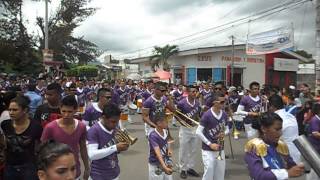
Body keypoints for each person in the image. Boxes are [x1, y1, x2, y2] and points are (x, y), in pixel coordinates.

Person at [41, 95, 90, 180]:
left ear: (75, 110)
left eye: (70, 111)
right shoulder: (50, 127)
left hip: (74, 171)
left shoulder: (81, 126)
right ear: (60, 109)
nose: (66, 114)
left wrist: (87, 167)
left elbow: (83, 148)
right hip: (55, 172)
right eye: (63, 111)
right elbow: (43, 149)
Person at [244, 112, 305, 180]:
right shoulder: (254, 147)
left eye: (281, 129)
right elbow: (258, 175)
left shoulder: (281, 145)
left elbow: (291, 165)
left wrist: (299, 168)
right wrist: (287, 173)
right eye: (277, 129)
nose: (281, 133)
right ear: (263, 129)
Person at [1, 95, 43, 180]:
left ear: (25, 110)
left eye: (15, 110)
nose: (11, 112)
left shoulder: (36, 126)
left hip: (29, 167)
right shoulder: (5, 124)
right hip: (10, 166)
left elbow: (40, 146)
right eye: (10, 109)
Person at [87, 103, 129, 180]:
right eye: (113, 121)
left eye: (117, 121)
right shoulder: (94, 130)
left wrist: (122, 146)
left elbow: (114, 151)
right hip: (98, 175)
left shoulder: (114, 128)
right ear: (104, 117)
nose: (115, 124)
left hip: (114, 173)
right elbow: (92, 155)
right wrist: (115, 147)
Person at [196, 93, 228, 180]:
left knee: (220, 173)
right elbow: (198, 131)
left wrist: (225, 132)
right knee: (209, 171)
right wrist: (210, 144)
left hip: (220, 148)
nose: (224, 103)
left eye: (224, 101)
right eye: (221, 102)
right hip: (207, 149)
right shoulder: (207, 115)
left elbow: (228, 128)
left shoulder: (224, 114)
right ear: (215, 102)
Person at [268, 95, 301, 163]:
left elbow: (272, 138)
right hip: (296, 151)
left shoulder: (275, 119)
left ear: (272, 107)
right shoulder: (291, 116)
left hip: (285, 154)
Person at [177, 85, 201, 179]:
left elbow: (199, 115)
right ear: (188, 92)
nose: (195, 93)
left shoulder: (198, 103)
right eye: (193, 91)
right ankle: (183, 169)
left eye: (196, 91)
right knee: (183, 150)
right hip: (185, 129)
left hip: (195, 128)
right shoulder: (182, 103)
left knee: (193, 150)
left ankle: (190, 167)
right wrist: (184, 123)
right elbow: (177, 116)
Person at [148, 112, 173, 180]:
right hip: (156, 164)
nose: (168, 122)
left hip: (165, 161)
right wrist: (164, 167)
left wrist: (169, 149)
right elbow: (158, 152)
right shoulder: (153, 136)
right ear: (159, 123)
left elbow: (168, 142)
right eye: (166, 121)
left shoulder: (166, 131)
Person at [306, 103, 320, 180]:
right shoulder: (315, 119)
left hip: (317, 145)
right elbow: (315, 133)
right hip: (315, 146)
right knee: (315, 165)